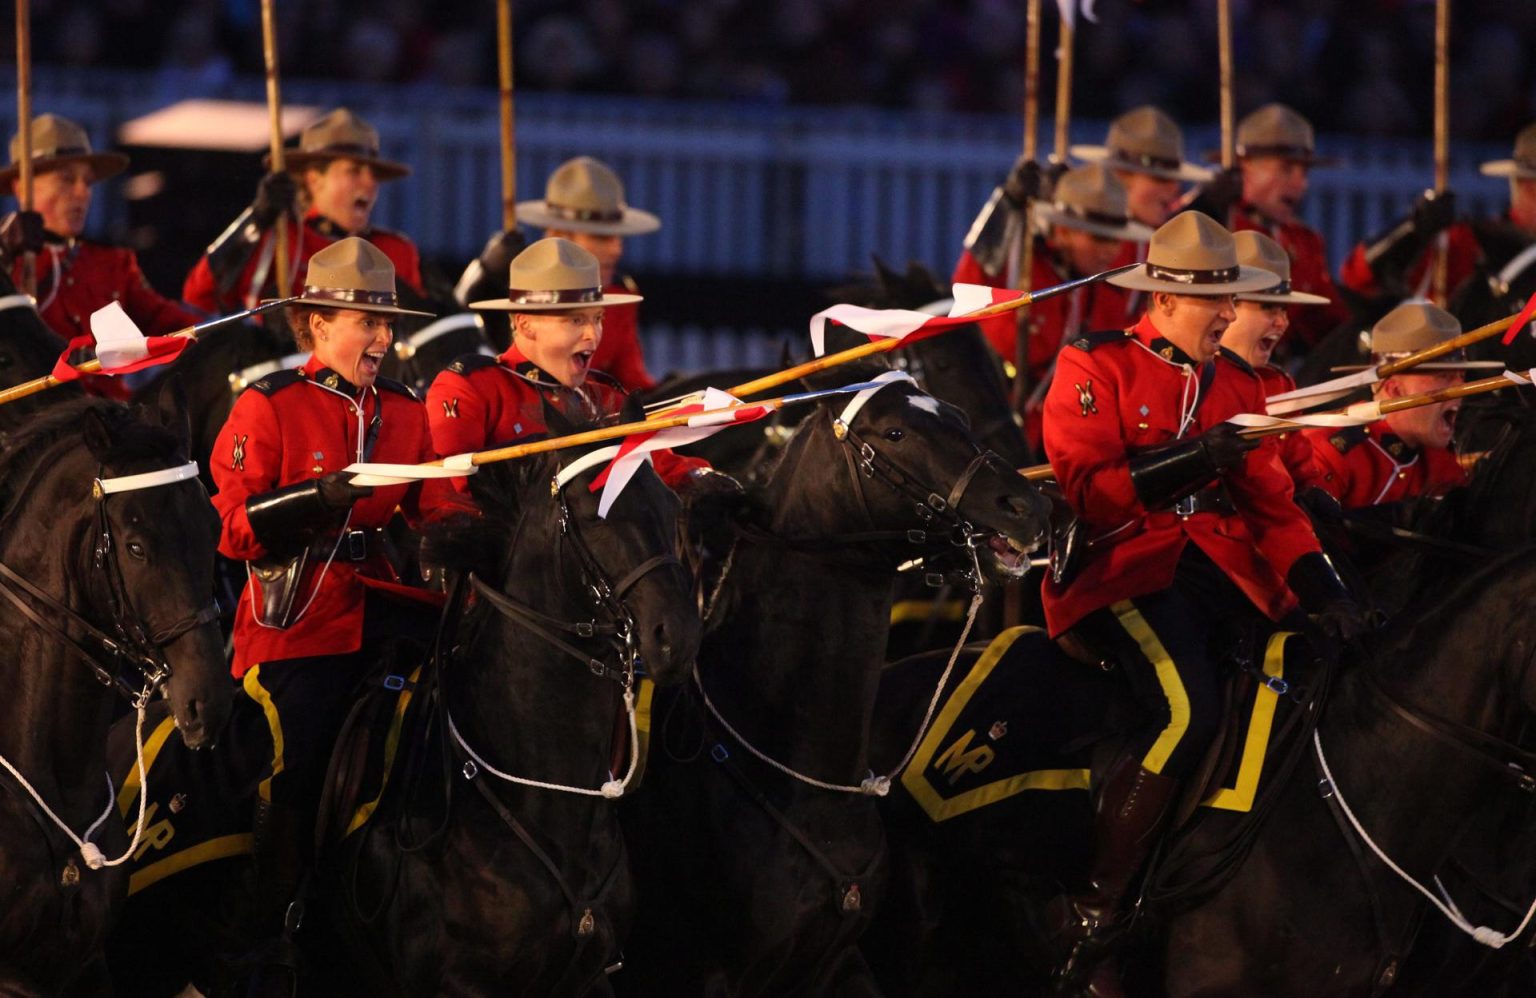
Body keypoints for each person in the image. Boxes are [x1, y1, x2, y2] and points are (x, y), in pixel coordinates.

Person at [1039, 211, 1366, 994]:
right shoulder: (1094, 365)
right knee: (1190, 711)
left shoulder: (1232, 384)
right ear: (1168, 299)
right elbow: (1093, 493)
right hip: (1120, 571)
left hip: (1214, 573)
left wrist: (1330, 594)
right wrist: (1191, 459)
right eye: (1220, 300)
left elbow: (1274, 508)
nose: (1232, 313)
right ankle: (1098, 902)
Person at [209, 237, 446, 992]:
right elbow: (234, 528)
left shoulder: (408, 414)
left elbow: (437, 513)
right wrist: (317, 499)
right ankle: (262, 927)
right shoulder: (268, 406)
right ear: (314, 325)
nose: (382, 339)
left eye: (387, 324)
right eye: (363, 322)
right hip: (295, 626)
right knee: (297, 755)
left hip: (383, 605)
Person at [430, 237, 723, 496]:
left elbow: (660, 464)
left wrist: (702, 479)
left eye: (597, 319)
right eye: (576, 321)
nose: (593, 335)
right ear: (525, 324)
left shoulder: (607, 399)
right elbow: (455, 492)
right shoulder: (473, 387)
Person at [955, 163, 1149, 448]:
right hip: (984, 424)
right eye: (1099, 237)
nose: (1112, 250)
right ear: (1063, 231)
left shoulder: (1103, 293)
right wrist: (1006, 204)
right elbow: (968, 279)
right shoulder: (1022, 263)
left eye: (1116, 239)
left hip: (1054, 433)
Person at [0, 114, 202, 372]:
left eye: (87, 182)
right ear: (22, 188)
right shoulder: (5, 262)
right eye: (66, 179)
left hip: (113, 411)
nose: (83, 192)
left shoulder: (112, 264)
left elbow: (178, 327)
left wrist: (229, 332)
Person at [183, 108, 425, 315]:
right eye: (354, 171)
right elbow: (198, 296)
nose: (370, 183)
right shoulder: (277, 238)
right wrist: (256, 220)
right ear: (314, 179)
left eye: (374, 175)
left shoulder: (394, 252)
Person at [454, 156, 661, 390]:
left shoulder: (618, 293)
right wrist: (483, 272)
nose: (616, 248)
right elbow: (446, 343)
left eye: (598, 318)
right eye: (600, 236)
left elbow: (633, 385)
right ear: (558, 235)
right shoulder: (502, 288)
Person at [1300, 302, 1496, 509]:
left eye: (1461, 375)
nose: (1461, 387)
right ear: (1395, 389)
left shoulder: (1440, 465)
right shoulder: (1329, 453)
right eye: (1445, 376)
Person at [1203, 104, 1352, 350]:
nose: (1301, 184)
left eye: (1304, 172)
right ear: (1245, 167)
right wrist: (1208, 205)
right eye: (1286, 169)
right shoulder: (1213, 226)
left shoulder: (1304, 241)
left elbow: (1329, 323)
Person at [1070, 106, 1219, 324]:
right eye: (1160, 179)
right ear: (1120, 176)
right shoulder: (1080, 233)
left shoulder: (1151, 239)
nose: (1175, 189)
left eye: (1175, 179)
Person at [1219, 230, 1331, 487]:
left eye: (1285, 309)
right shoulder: (1184, 377)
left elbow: (1301, 474)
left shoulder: (1278, 385)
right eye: (1268, 307)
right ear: (1225, 305)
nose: (1283, 322)